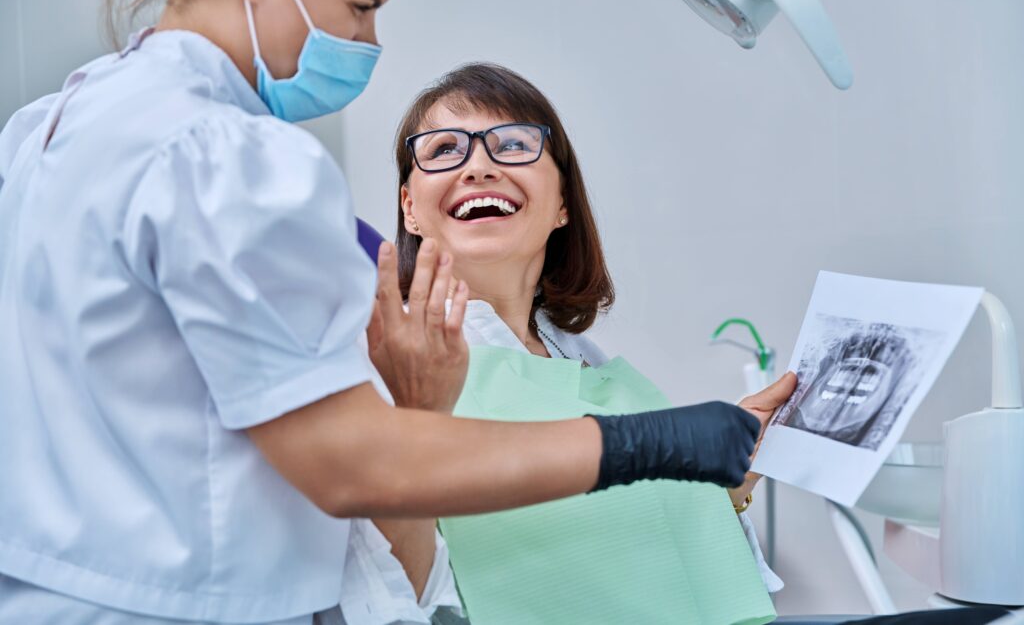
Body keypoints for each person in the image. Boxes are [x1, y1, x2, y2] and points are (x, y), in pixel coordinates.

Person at [0, 0, 789, 624]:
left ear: (562, 196)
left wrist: (700, 480)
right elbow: (353, 466)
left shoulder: (50, 125)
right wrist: (659, 444)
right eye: (360, 5)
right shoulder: (228, 156)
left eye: (512, 144)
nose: (366, 39)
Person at [385, 62, 1013, 625]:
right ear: (412, 209)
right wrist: (414, 432)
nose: (478, 164)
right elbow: (392, 590)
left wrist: (731, 478)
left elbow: (637, 533)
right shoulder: (387, 363)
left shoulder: (587, 365)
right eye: (443, 149)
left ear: (562, 205)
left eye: (515, 144)